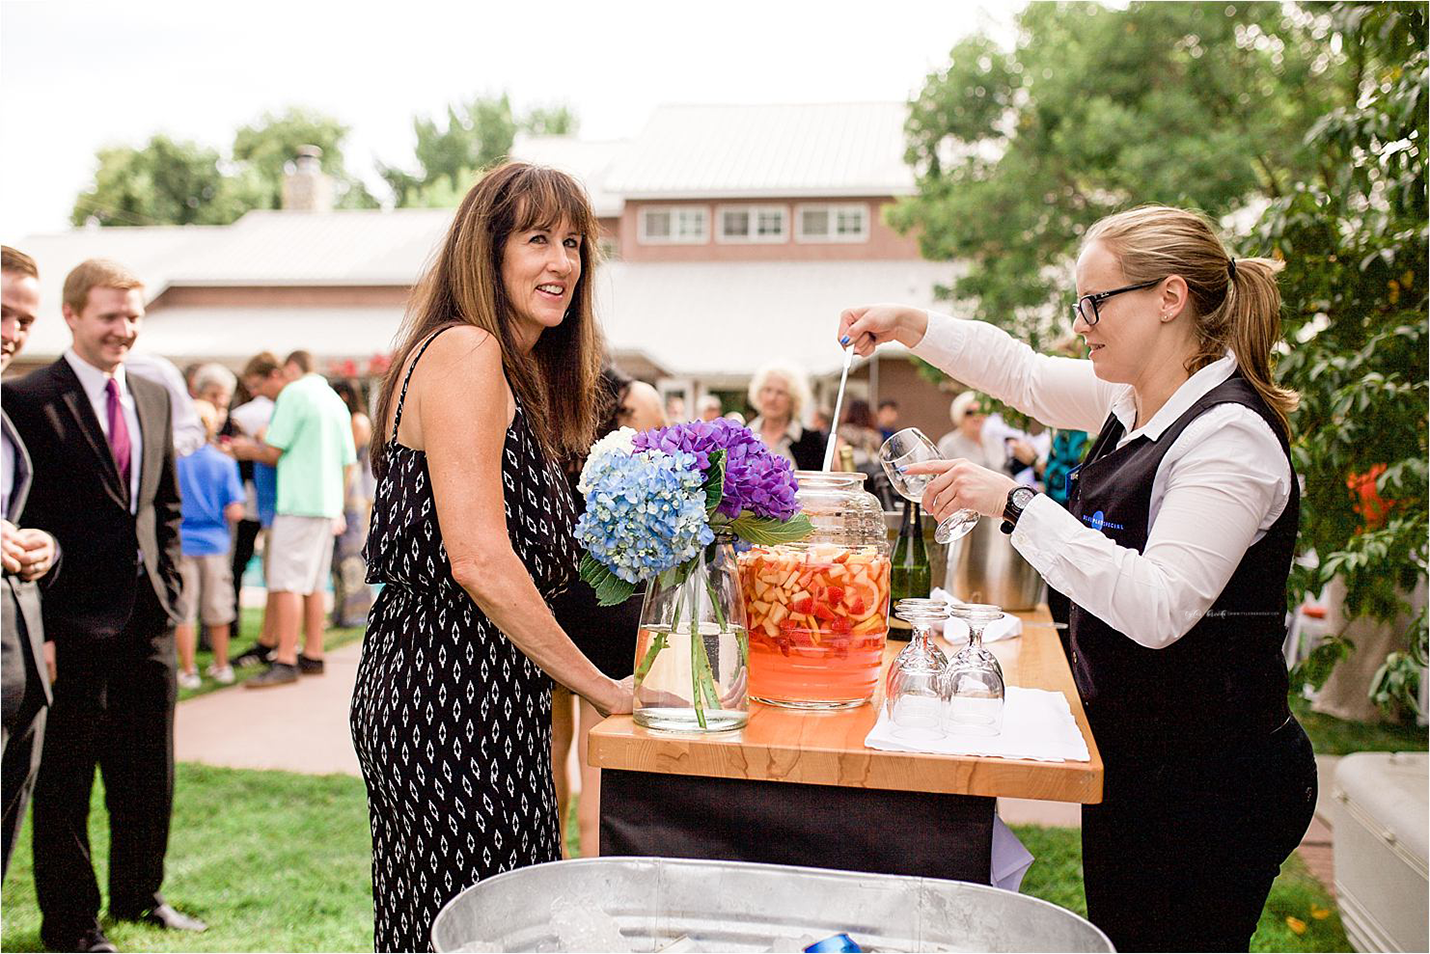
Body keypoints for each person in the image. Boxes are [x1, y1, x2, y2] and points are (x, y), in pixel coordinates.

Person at [839, 205, 1316, 952]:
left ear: (1169, 297)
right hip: (1140, 758)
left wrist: (1016, 502)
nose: (1082, 321)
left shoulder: (1229, 437)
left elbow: (1159, 606)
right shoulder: (1134, 400)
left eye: (1096, 301)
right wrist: (910, 324)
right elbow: (1022, 374)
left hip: (1217, 779)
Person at [350, 161, 634, 952]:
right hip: (445, 694)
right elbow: (478, 558)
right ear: (489, 249)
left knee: (463, 927)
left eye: (574, 244)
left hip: (488, 692)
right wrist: (604, 689)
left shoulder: (512, 368)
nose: (562, 263)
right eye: (537, 239)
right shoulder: (468, 351)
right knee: (474, 929)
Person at [7, 258, 205, 952]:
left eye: (134, 317)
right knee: (65, 780)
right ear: (71, 315)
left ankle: (139, 895)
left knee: (149, 766)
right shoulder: (26, 400)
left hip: (150, 618)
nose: (124, 330)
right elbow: (20, 512)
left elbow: (165, 507)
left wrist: (173, 593)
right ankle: (71, 924)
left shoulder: (153, 393)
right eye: (110, 317)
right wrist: (43, 622)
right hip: (69, 623)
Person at [549, 365, 664, 858]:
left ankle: (549, 861)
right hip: (613, 589)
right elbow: (669, 471)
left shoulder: (541, 394)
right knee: (601, 753)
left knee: (550, 748)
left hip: (553, 590)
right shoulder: (638, 398)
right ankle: (596, 869)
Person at [230, 354, 356, 687]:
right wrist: (338, 506)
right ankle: (313, 654)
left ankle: (285, 658)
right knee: (313, 584)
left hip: (297, 502)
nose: (263, 396)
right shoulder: (333, 399)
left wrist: (246, 448)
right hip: (326, 504)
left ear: (284, 372)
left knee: (285, 583)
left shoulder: (294, 393)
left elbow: (273, 451)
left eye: (260, 387)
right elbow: (348, 461)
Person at [1, 246, 59, 879]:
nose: (12, 333)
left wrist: (45, 547)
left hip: (18, 678)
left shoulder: (4, 411)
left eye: (24, 321)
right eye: (1, 312)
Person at [174, 400, 244, 689]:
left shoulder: (173, 462)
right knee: (218, 608)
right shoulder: (224, 462)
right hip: (215, 543)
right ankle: (222, 665)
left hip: (182, 542)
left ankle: (188, 671)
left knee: (184, 610)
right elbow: (236, 510)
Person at [225, 364, 280, 668]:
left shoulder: (260, 418)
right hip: (255, 505)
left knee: (271, 574)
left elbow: (271, 454)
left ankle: (273, 642)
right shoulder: (257, 415)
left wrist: (252, 447)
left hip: (264, 506)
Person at [329, 379, 375, 627]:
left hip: (354, 491)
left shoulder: (358, 421)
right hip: (347, 488)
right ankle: (341, 611)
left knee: (352, 553)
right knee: (339, 555)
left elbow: (348, 455)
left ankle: (355, 612)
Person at [748, 362, 824, 471]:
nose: (772, 398)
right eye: (768, 390)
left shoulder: (812, 442)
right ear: (758, 394)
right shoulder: (744, 436)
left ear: (794, 399)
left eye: (780, 392)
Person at [936, 391, 995, 467]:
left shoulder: (995, 442)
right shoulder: (948, 445)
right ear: (959, 415)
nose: (976, 417)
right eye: (970, 413)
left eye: (981, 412)